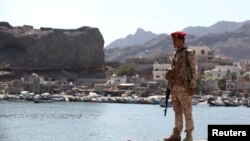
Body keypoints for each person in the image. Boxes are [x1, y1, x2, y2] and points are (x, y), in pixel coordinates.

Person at [163, 31, 196, 141]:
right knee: (177, 111)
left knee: (187, 111)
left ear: (182, 40)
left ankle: (189, 135)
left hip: (184, 87)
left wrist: (192, 86)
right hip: (174, 87)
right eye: (173, 40)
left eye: (176, 40)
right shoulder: (175, 54)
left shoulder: (188, 53)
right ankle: (176, 134)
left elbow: (193, 70)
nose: (174, 42)